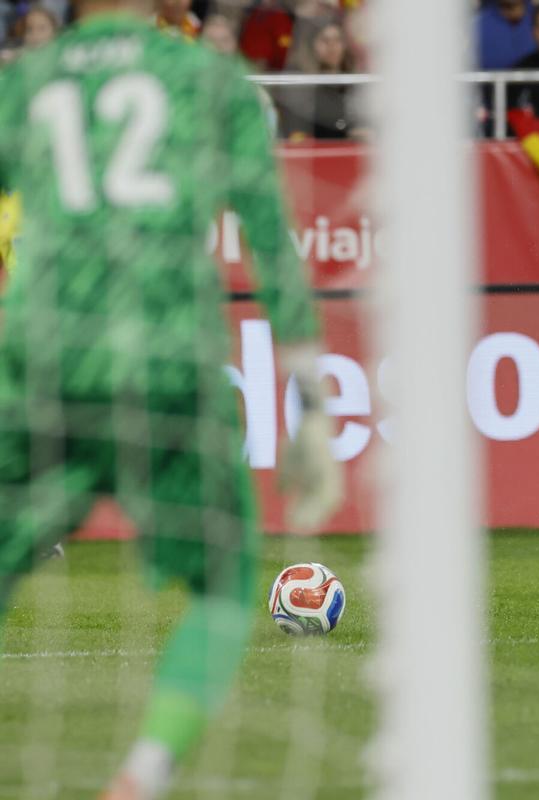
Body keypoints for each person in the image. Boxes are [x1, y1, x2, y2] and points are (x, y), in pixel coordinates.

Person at [0, 3, 343, 799]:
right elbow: (269, 240)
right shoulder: (209, 79)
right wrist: (311, 407)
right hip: (168, 358)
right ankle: (144, 773)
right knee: (225, 584)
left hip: (43, 355)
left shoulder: (28, 82)